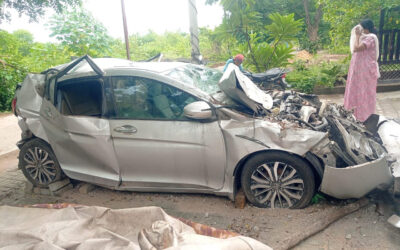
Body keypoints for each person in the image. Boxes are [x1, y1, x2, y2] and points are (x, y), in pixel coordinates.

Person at [344, 19, 380, 122]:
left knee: (364, 92)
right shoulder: (366, 37)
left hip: (365, 71)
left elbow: (356, 48)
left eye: (361, 28)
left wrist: (358, 36)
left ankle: (364, 116)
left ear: (366, 29)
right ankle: (353, 112)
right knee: (356, 89)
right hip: (359, 70)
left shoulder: (370, 38)